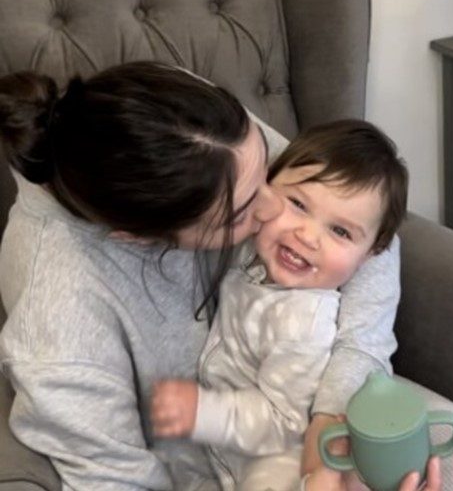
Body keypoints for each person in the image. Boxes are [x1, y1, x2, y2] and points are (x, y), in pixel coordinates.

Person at [0, 61, 408, 491]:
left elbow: (363, 218)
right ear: (138, 238)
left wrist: (333, 417)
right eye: (244, 208)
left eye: (268, 171)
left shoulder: (197, 125)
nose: (275, 209)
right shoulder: (59, 329)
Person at [150, 119, 409, 491]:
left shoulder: (303, 323)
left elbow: (284, 421)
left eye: (340, 231)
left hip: (281, 459)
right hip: (223, 444)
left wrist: (202, 412)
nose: (306, 235)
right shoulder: (253, 250)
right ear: (264, 186)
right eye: (298, 204)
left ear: (371, 254)